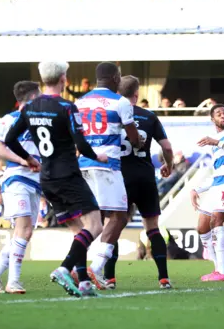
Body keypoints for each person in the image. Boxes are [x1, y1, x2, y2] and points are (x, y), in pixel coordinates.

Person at [4, 61, 109, 297]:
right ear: (63, 78)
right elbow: (80, 143)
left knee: (79, 231)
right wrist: (97, 157)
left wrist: (28, 158)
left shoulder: (29, 107)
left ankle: (83, 282)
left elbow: (10, 139)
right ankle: (64, 268)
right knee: (95, 226)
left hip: (47, 178)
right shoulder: (67, 107)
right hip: (68, 175)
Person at [102, 76, 174, 290]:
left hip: (118, 177)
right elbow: (167, 147)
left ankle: (110, 278)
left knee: (112, 226)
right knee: (152, 228)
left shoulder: (111, 115)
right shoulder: (149, 116)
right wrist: (168, 165)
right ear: (137, 94)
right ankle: (163, 278)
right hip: (144, 177)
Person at [74, 62, 141, 290]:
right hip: (108, 165)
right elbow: (133, 138)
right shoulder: (120, 102)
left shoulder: (80, 102)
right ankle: (95, 266)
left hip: (83, 164)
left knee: (94, 220)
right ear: (114, 77)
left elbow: (75, 136)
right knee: (119, 216)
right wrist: (138, 140)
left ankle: (79, 267)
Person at [0, 81, 41, 295]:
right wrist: (23, 160)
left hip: (36, 182)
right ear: (33, 97)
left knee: (24, 233)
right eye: (40, 95)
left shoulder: (40, 121)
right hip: (17, 178)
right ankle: (13, 281)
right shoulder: (11, 119)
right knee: (23, 230)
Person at [190, 103, 224, 282]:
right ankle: (216, 268)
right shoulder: (213, 143)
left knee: (216, 220)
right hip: (219, 182)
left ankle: (223, 272)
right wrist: (196, 189)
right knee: (202, 226)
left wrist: (216, 142)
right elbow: (217, 172)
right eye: (219, 113)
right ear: (212, 119)